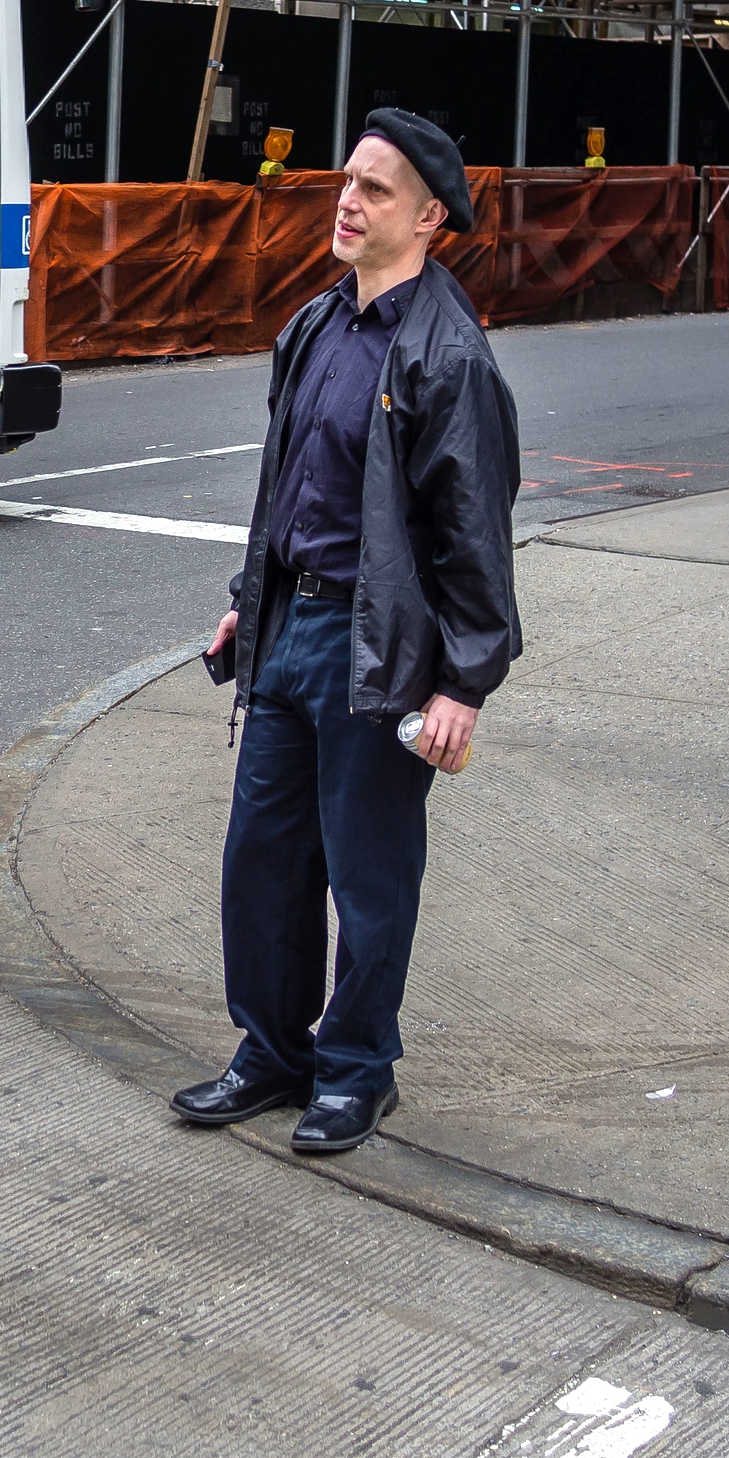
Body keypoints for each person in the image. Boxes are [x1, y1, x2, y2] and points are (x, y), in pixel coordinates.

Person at [170, 108, 522, 1155]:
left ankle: (357, 1070)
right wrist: (249, 594)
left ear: (426, 219)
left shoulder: (446, 357)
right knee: (261, 862)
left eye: (373, 191)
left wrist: (463, 683)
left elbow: (474, 535)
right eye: (348, 182)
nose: (348, 201)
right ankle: (271, 1052)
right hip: (288, 632)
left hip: (379, 651)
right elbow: (290, 486)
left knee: (368, 873)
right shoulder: (317, 326)